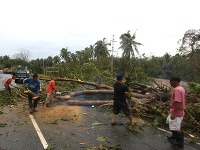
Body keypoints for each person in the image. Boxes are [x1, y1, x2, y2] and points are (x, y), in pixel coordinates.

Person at [166, 76, 186, 148]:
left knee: (175, 128)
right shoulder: (181, 88)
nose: (170, 83)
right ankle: (173, 137)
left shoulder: (177, 90)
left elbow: (178, 102)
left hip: (176, 112)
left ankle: (180, 142)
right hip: (176, 111)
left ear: (175, 81)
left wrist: (174, 114)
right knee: (170, 123)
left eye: (171, 81)